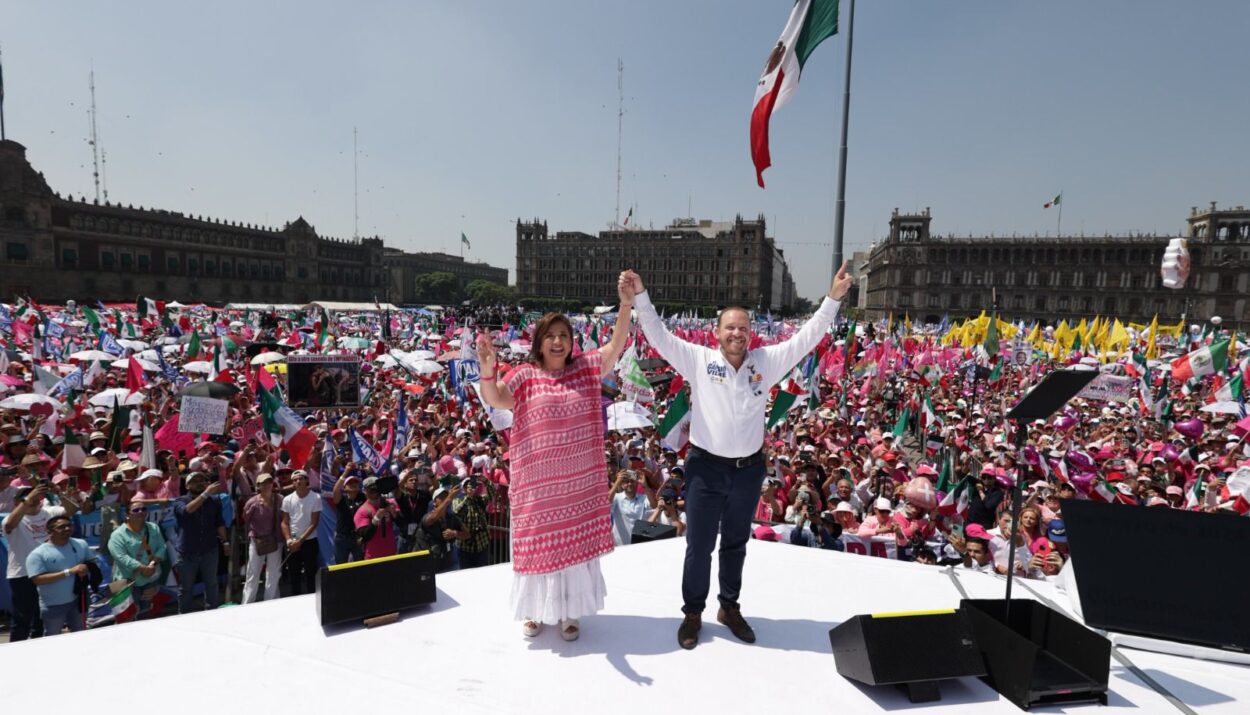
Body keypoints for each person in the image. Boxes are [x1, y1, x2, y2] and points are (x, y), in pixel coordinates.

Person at [621, 262, 852, 650]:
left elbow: (806, 339)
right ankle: (693, 613)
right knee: (699, 545)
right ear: (718, 333)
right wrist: (642, 296)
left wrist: (832, 299)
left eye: (743, 328)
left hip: (747, 471)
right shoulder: (698, 359)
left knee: (735, 544)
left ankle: (728, 607)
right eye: (730, 327)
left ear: (751, 334)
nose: (737, 334)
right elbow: (658, 336)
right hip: (705, 469)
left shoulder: (766, 363)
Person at [476, 280, 632, 642]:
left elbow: (615, 345)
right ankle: (534, 610)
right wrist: (488, 368)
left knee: (573, 552)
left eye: (564, 335)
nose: (558, 341)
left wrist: (625, 307)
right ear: (539, 342)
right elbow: (496, 398)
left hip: (576, 488)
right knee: (537, 547)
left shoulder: (585, 369)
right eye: (551, 336)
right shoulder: (526, 376)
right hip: (537, 489)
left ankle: (569, 612)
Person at [4, 485, 76, 640]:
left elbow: (71, 510)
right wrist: (26, 502)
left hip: (48, 573)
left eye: (35, 496)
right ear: (17, 502)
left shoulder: (50, 512)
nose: (33, 499)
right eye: (27, 497)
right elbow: (10, 526)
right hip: (22, 575)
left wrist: (60, 493)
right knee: (22, 620)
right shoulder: (14, 518)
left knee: (42, 619)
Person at [25, 513, 92, 636]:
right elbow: (37, 579)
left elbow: (91, 562)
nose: (67, 529)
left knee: (81, 635)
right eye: (61, 527)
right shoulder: (37, 554)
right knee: (52, 638)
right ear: (50, 532)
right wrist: (69, 572)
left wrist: (87, 567)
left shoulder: (81, 544)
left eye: (69, 525)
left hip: (78, 600)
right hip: (53, 605)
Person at [172, 471, 228, 613]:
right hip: (187, 553)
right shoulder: (180, 500)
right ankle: (183, 615)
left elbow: (219, 522)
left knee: (212, 584)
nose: (199, 483)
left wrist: (225, 542)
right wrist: (205, 495)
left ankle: (212, 613)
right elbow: (187, 511)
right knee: (186, 588)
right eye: (195, 481)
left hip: (209, 549)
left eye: (202, 480)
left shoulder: (214, 500)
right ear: (187, 485)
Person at [107, 501, 168, 619]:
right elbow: (121, 557)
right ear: (127, 515)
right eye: (135, 510)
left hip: (150, 580)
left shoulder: (153, 527)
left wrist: (153, 564)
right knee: (127, 618)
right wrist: (142, 568)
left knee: (146, 613)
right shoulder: (117, 535)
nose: (140, 512)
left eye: (143, 509)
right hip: (128, 583)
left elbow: (162, 547)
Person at [241, 473, 282, 604]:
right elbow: (244, 520)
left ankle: (271, 603)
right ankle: (247, 604)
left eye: (269, 482)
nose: (267, 485)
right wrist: (250, 510)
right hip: (257, 541)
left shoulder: (280, 499)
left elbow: (285, 518)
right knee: (253, 574)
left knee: (273, 573)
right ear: (258, 486)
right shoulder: (251, 502)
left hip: (275, 540)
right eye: (263, 483)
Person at [281, 469, 322, 595]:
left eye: (301, 478)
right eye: (295, 480)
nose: (298, 481)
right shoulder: (287, 499)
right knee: (294, 574)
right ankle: (295, 599)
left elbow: (314, 523)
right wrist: (289, 540)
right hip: (292, 542)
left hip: (310, 541)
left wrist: (300, 540)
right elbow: (284, 522)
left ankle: (312, 598)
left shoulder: (316, 497)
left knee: (310, 573)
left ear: (306, 480)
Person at [422, 485, 468, 573]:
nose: (445, 499)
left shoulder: (452, 517)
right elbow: (432, 518)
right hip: (434, 564)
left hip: (452, 563)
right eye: (441, 497)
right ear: (434, 502)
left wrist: (455, 533)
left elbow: (467, 534)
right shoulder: (428, 517)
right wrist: (449, 497)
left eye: (446, 496)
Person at [353, 476, 398, 560]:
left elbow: (402, 525)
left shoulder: (390, 503)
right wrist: (376, 519)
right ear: (364, 491)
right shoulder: (362, 511)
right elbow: (365, 535)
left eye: (376, 488)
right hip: (373, 557)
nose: (374, 491)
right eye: (370, 489)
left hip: (392, 554)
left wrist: (394, 514)